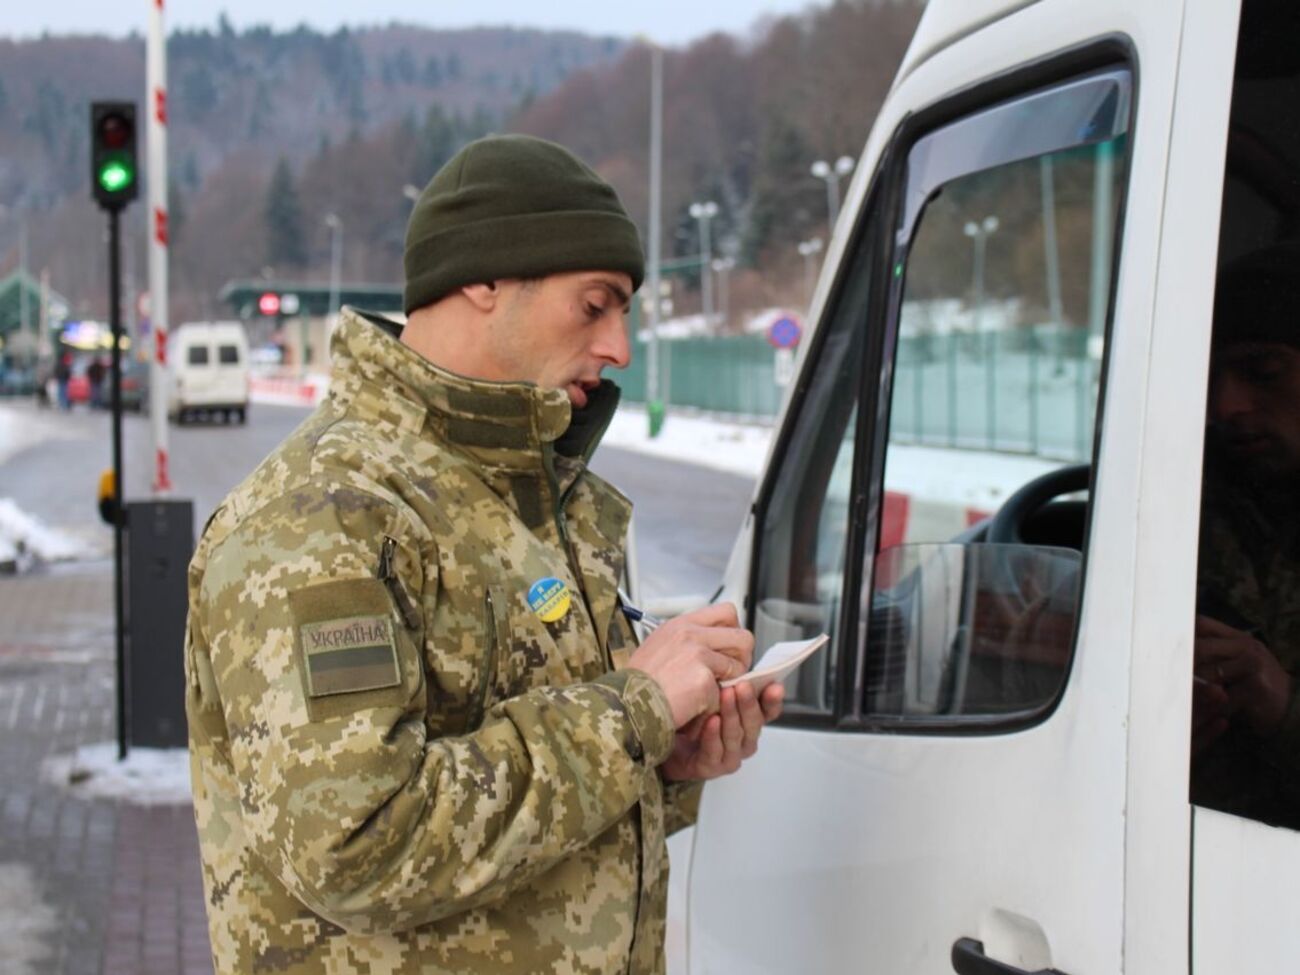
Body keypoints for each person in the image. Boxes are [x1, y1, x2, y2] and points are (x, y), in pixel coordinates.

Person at [185, 134, 784, 975]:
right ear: (484, 280)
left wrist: (663, 759)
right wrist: (632, 713)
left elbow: (539, 813)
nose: (621, 347)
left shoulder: (535, 495)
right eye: (594, 305)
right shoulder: (322, 514)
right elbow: (357, 843)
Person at [1192, 242, 1300, 828]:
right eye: (1211, 379)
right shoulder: (1176, 503)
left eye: (1264, 373)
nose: (1227, 405)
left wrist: (1280, 704)